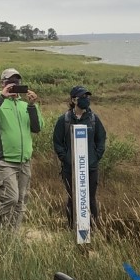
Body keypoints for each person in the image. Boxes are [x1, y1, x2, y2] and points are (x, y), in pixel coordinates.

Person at [0, 67, 43, 232]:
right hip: (5, 161)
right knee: (11, 199)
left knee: (20, 202)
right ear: (2, 84)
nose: (14, 85)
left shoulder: (24, 106)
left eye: (17, 82)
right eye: (10, 82)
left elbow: (37, 128)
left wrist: (32, 105)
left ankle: (11, 237)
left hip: (24, 161)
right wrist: (1, 96)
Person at [52, 85, 107, 228]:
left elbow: (101, 139)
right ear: (74, 100)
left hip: (90, 168)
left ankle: (92, 229)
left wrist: (96, 156)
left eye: (87, 97)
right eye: (83, 97)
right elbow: (57, 142)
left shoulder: (94, 119)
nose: (86, 100)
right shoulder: (64, 120)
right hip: (70, 169)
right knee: (73, 199)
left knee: (90, 199)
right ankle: (73, 228)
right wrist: (66, 158)